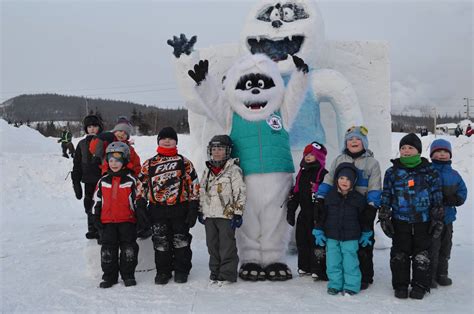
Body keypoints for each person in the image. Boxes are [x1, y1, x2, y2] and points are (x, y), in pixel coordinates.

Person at [378, 133, 444, 300]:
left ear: (418, 151)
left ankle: (420, 285)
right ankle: (400, 285)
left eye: (410, 148)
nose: (406, 151)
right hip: (400, 221)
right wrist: (384, 214)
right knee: (400, 254)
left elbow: (437, 196)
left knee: (422, 255)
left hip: (424, 221)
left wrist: (437, 217)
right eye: (403, 148)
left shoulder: (430, 171)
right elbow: (386, 194)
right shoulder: (392, 172)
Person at [315, 126, 381, 290]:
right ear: (346, 143)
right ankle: (337, 276)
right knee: (337, 243)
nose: (354, 141)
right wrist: (321, 197)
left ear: (364, 143)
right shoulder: (339, 159)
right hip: (339, 205)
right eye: (350, 139)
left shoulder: (371, 163)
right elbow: (329, 179)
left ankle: (364, 275)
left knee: (363, 244)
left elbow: (375, 185)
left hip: (361, 208)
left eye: (357, 139)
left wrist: (372, 206)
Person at [136, 127, 200, 285]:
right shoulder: (149, 163)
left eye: (170, 138)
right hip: (157, 210)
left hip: (180, 208)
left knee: (181, 240)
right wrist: (140, 204)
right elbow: (141, 185)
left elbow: (194, 184)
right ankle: (163, 271)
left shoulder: (184, 162)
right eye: (163, 138)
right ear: (158, 141)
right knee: (161, 242)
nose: (167, 141)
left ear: (175, 142)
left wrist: (193, 206)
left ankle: (181, 270)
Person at [312, 162, 369, 296]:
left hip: (351, 237)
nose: (344, 181)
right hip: (331, 236)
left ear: (353, 181)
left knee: (350, 263)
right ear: (336, 179)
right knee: (332, 263)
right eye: (342, 178)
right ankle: (335, 285)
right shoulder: (330, 196)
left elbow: (363, 218)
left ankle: (351, 286)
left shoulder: (358, 199)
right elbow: (323, 215)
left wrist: (366, 231)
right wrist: (318, 229)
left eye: (348, 179)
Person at [198, 135, 246, 285]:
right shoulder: (207, 169)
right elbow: (202, 190)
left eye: (220, 149)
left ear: (227, 151)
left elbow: (240, 192)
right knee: (212, 245)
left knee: (226, 246)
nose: (217, 152)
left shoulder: (234, 170)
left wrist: (237, 213)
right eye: (214, 149)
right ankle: (215, 272)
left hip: (226, 215)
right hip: (209, 215)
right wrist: (200, 209)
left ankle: (227, 274)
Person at [92, 142, 139, 288]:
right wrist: (96, 217)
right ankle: (109, 277)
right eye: (110, 160)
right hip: (107, 223)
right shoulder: (103, 181)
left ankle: (128, 275)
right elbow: (97, 200)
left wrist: (141, 218)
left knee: (128, 249)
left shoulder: (131, 180)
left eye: (117, 160)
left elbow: (138, 200)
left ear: (124, 160)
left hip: (127, 221)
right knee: (107, 250)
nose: (114, 164)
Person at [429, 139, 467, 288]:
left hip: (448, 218)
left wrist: (457, 199)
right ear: (432, 154)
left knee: (445, 247)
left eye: (445, 152)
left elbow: (463, 190)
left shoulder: (454, 174)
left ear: (450, 155)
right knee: (432, 247)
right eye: (438, 151)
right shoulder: (428, 172)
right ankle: (430, 275)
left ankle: (442, 273)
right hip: (431, 219)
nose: (442, 154)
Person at [286, 141, 328, 280]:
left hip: (318, 215)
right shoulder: (301, 173)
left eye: (312, 154)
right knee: (302, 240)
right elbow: (296, 193)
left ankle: (318, 268)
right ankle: (304, 266)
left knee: (316, 242)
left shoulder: (324, 174)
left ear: (319, 156)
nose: (308, 157)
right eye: (306, 154)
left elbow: (329, 194)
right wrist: (291, 211)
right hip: (304, 214)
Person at [71, 114, 104, 241]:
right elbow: (77, 164)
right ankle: (92, 229)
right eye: (89, 127)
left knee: (101, 205)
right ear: (86, 129)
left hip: (102, 180)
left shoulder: (103, 141)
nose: (92, 129)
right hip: (88, 180)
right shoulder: (81, 144)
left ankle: (102, 229)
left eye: (95, 126)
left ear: (99, 127)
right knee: (89, 205)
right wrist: (76, 181)